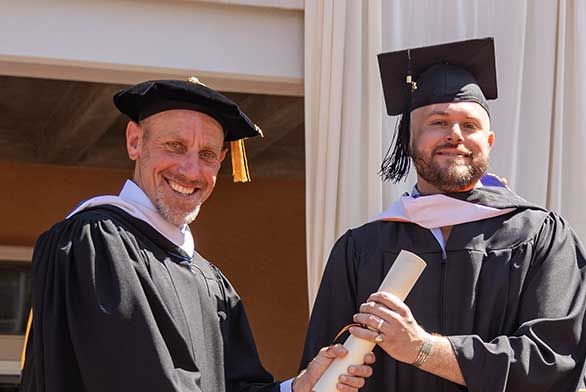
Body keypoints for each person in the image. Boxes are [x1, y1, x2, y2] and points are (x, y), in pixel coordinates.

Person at [20, 79, 374, 392]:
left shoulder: (209, 281)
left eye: (207, 155)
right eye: (175, 146)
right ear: (134, 141)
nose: (191, 171)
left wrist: (299, 388)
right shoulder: (96, 244)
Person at [300, 37, 586, 391]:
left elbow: (553, 361)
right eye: (438, 122)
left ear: (489, 142)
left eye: (470, 126)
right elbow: (320, 372)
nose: (455, 135)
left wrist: (423, 349)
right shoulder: (362, 248)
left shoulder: (541, 237)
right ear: (409, 139)